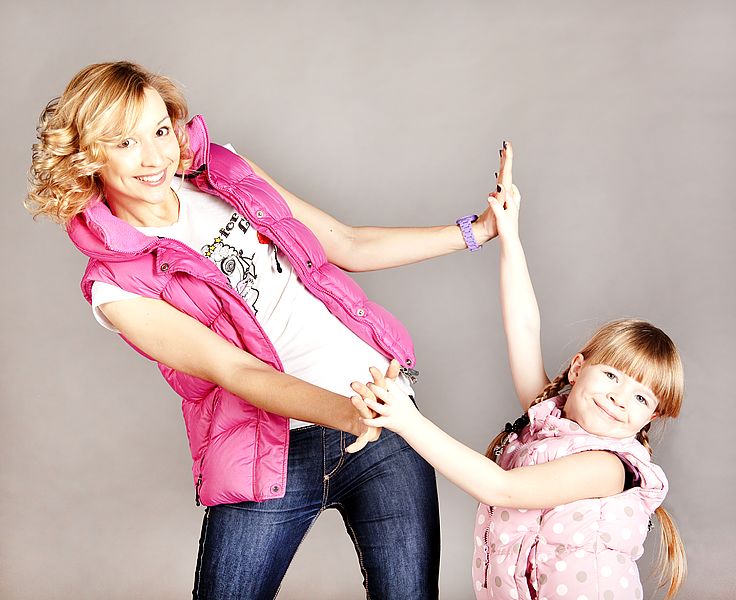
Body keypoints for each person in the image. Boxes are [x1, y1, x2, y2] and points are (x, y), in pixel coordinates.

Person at [26, 61, 508, 599]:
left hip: (385, 412)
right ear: (87, 155)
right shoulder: (116, 286)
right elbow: (235, 369)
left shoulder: (225, 174)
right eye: (124, 142)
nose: (154, 156)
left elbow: (345, 243)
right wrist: (349, 412)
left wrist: (477, 231)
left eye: (161, 130)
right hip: (270, 449)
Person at [352, 175, 688, 599]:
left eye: (641, 396)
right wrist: (508, 236)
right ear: (577, 369)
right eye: (612, 376)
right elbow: (525, 328)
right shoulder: (550, 416)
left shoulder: (609, 467)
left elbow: (501, 488)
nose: (620, 398)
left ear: (652, 415)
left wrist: (407, 420)